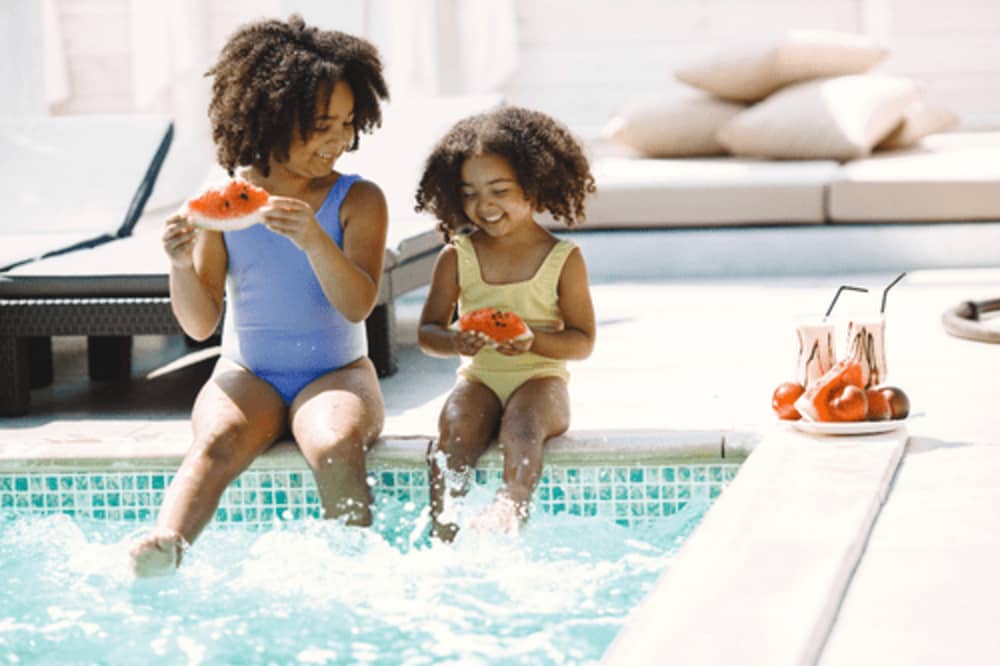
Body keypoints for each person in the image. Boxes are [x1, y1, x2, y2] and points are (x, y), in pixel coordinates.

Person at [129, 15, 390, 576]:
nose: (339, 140)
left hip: (338, 372)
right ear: (271, 119)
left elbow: (357, 304)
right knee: (216, 442)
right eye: (323, 125)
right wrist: (178, 265)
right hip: (248, 372)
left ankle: (354, 573)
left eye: (348, 123)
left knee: (336, 445)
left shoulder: (358, 199)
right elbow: (201, 324)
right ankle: (166, 546)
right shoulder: (222, 201)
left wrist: (315, 240)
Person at [414, 106, 597, 540]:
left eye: (499, 190)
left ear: (534, 187)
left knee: (523, 425)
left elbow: (582, 341)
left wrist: (533, 342)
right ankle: (445, 529)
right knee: (455, 428)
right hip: (481, 379)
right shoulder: (456, 255)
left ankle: (509, 509)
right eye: (470, 193)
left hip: (542, 378)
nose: (485, 206)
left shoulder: (562, 258)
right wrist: (455, 340)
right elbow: (428, 333)